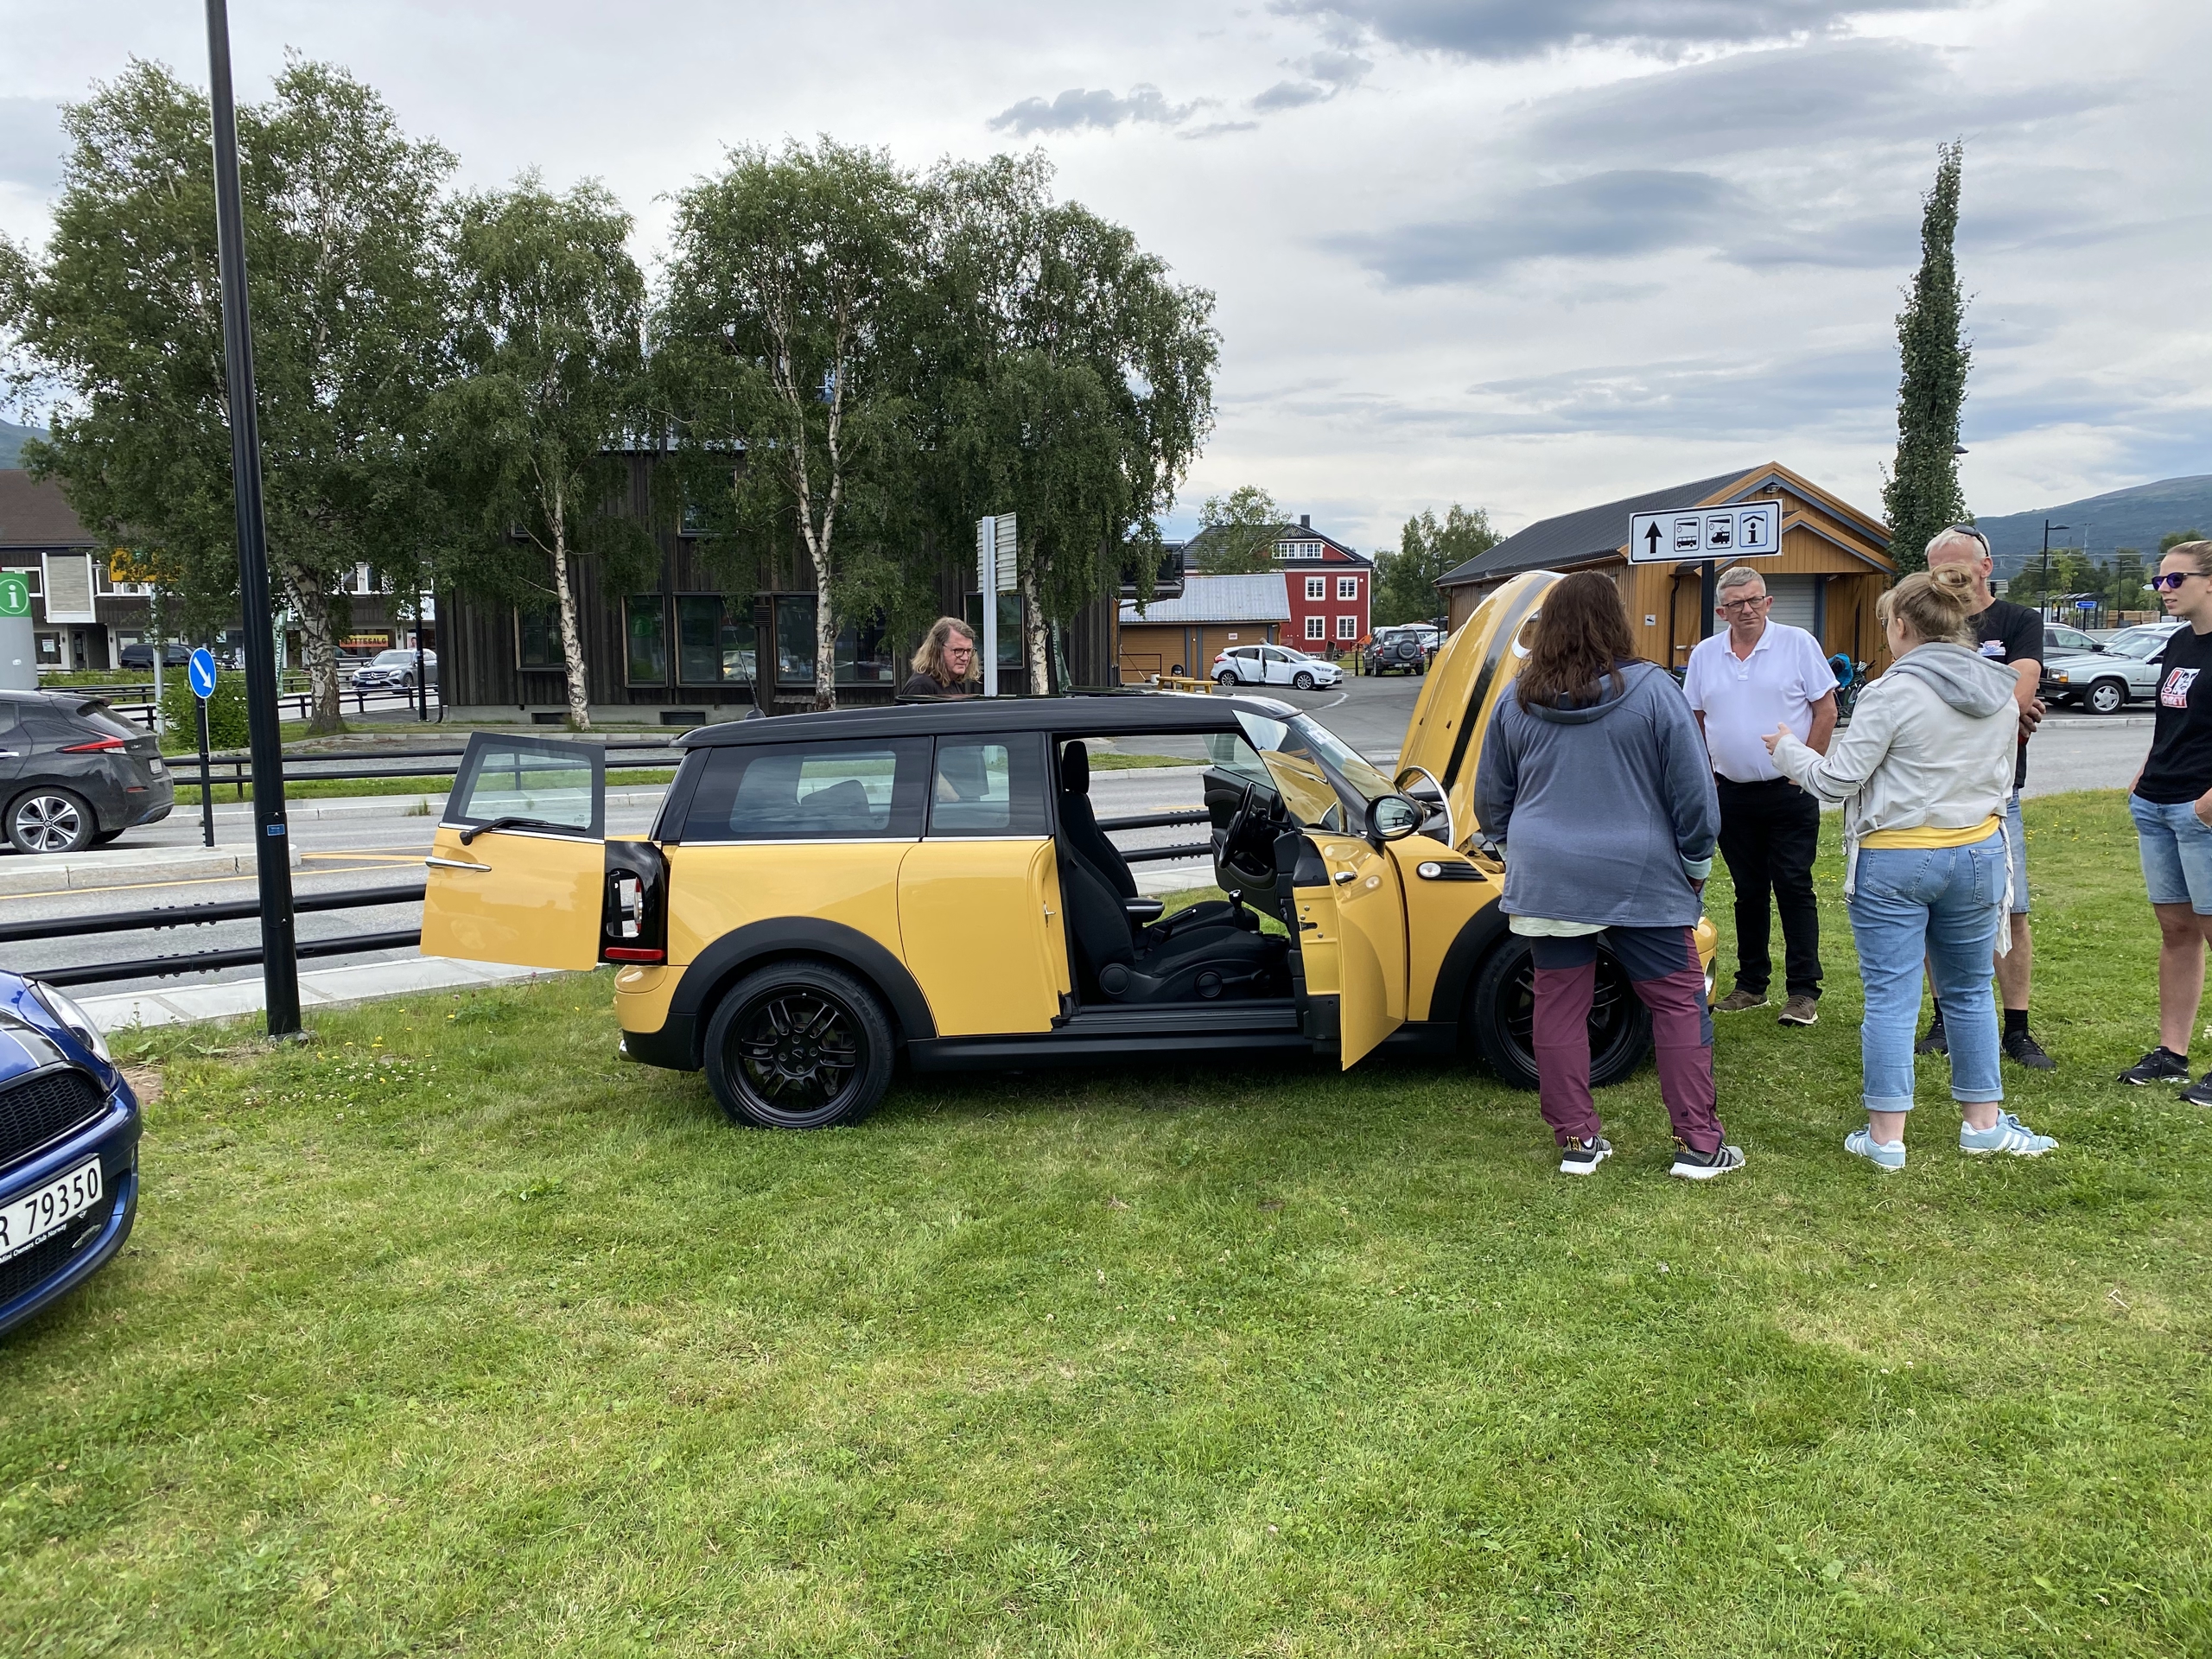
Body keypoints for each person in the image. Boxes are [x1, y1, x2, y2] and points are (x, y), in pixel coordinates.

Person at [1764, 565, 2057, 1169]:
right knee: (1970, 991)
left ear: (1900, 625)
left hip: (1896, 856)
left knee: (1892, 997)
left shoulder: (1891, 692)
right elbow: (2002, 778)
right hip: (1978, 850)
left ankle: (1886, 1136)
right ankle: (1983, 1124)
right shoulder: (2001, 688)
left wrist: (1787, 749)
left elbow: (1837, 781)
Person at [1474, 572, 1742, 1180]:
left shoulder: (1516, 700)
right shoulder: (1656, 691)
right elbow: (1695, 795)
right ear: (1616, 620)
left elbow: (1491, 800)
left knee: (1558, 1004)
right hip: (1642, 873)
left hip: (1548, 876)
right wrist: (1695, 865)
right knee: (1677, 1004)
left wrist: (1518, 849)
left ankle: (1577, 1140)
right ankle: (1699, 1145)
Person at [1918, 525, 2055, 1070]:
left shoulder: (2018, 621)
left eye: (1959, 566)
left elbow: (2023, 687)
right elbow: (1916, 702)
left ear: (1986, 567)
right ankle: (1944, 1019)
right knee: (1933, 911)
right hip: (1933, 789)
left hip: (1998, 792)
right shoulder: (1927, 620)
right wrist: (2002, 710)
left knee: (2010, 911)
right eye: (1938, 569)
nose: (1949, 577)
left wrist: (2007, 706)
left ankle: (2017, 1029)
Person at [1683, 564, 1838, 1027]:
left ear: (1768, 602)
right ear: (1721, 611)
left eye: (1755, 601)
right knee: (1748, 891)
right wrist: (1707, 773)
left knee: (1793, 886)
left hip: (1788, 790)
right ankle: (1751, 985)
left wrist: (1807, 768)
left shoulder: (1797, 643)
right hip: (1730, 792)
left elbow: (1826, 710)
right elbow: (1694, 718)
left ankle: (1803, 992)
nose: (1747, 610)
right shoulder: (1705, 655)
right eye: (1736, 604)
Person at [2118, 539, 2212, 1099]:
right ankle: (2172, 1053)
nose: (2163, 590)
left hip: (2202, 810)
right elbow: (2170, 724)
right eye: (2159, 581)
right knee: (2177, 931)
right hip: (2157, 802)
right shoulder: (2178, 641)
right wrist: (2144, 773)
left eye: (2175, 580)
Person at [903, 617, 978, 698]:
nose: (965, 658)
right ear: (937, 650)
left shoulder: (953, 683)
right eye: (958, 650)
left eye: (969, 651)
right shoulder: (920, 686)